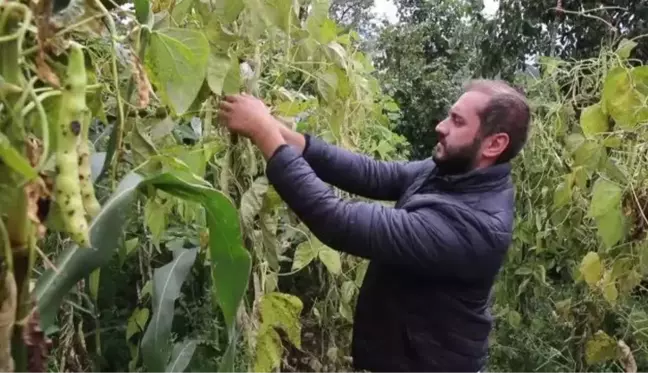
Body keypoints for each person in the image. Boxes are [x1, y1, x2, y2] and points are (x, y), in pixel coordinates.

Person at [218, 79, 531, 373]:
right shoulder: (451, 171)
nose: (441, 127)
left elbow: (338, 221)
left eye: (458, 122)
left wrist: (263, 133)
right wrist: (285, 136)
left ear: (494, 144)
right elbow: (373, 174)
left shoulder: (475, 227)